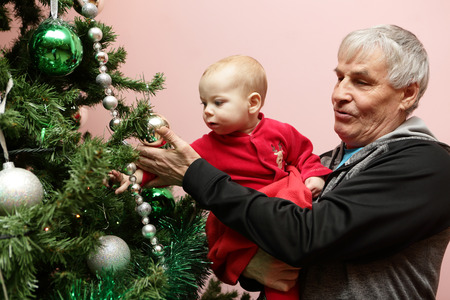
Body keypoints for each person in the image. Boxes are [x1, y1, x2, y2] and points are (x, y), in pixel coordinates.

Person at [134, 24, 450, 299]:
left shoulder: (429, 165)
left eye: (361, 82)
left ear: (407, 94)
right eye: (339, 77)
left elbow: (305, 237)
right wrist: (249, 266)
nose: (339, 93)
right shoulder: (320, 165)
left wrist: (195, 174)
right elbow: (265, 226)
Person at [110, 55, 331, 300]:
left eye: (218, 102)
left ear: (253, 103)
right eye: (204, 103)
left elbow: (304, 155)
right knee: (266, 269)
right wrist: (134, 176)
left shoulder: (281, 132)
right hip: (241, 220)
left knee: (293, 189)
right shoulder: (206, 147)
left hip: (279, 214)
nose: (207, 111)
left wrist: (315, 176)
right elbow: (169, 164)